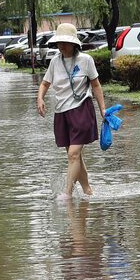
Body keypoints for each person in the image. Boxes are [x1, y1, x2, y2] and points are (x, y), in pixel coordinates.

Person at [37, 23, 106, 199]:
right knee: (75, 155)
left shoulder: (86, 60)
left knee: (73, 154)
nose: (62, 46)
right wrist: (40, 98)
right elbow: (45, 83)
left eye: (66, 42)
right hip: (62, 112)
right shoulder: (55, 62)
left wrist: (102, 110)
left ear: (75, 43)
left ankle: (67, 193)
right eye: (59, 42)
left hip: (81, 109)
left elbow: (96, 85)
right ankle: (87, 190)